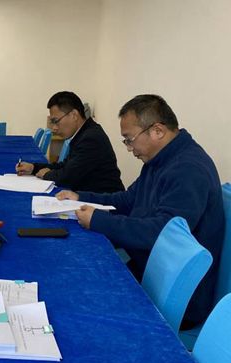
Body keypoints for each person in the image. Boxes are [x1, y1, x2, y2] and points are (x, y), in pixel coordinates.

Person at [57, 94, 224, 328]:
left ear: (157, 131)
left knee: (79, 302)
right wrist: (81, 197)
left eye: (129, 139)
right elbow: (128, 199)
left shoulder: (188, 169)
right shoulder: (159, 159)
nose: (129, 148)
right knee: (74, 276)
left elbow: (162, 234)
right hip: (145, 266)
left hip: (175, 292)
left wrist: (99, 221)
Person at [16, 91, 124, 193]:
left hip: (104, 201)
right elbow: (66, 166)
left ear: (74, 115)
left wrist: (47, 174)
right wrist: (34, 168)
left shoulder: (91, 138)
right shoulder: (83, 133)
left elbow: (67, 177)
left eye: (56, 121)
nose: (54, 128)